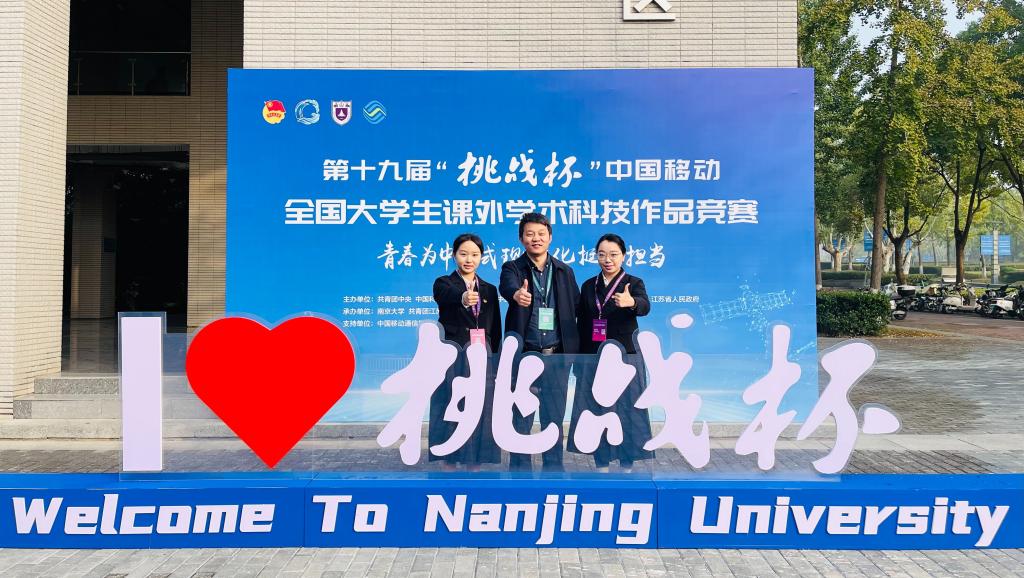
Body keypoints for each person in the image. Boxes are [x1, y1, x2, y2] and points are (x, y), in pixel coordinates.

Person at [499, 213, 580, 471]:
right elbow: (507, 286)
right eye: (530, 234)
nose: (536, 238)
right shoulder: (513, 268)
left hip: (557, 356)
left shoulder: (564, 271)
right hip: (525, 355)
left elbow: (577, 306)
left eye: (541, 234)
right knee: (521, 416)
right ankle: (520, 469)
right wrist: (516, 294)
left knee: (553, 416)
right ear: (521, 238)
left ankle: (554, 468)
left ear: (550, 237)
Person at [567, 233, 654, 472]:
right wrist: (579, 361)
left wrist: (631, 302)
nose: (608, 259)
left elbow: (645, 306)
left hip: (626, 358)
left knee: (628, 408)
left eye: (613, 254)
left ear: (623, 256)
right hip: (594, 357)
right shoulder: (588, 286)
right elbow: (582, 324)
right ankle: (601, 462)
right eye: (602, 254)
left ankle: (627, 463)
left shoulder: (633, 283)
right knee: (596, 408)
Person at [430, 233, 502, 470]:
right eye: (463, 254)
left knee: (479, 406)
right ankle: (449, 458)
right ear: (454, 256)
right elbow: (444, 297)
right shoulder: (444, 283)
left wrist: (496, 361)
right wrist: (462, 297)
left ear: (481, 257)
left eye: (474, 255)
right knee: (450, 404)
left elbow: (495, 328)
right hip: (453, 358)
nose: (469, 259)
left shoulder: (489, 289)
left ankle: (475, 459)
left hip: (481, 358)